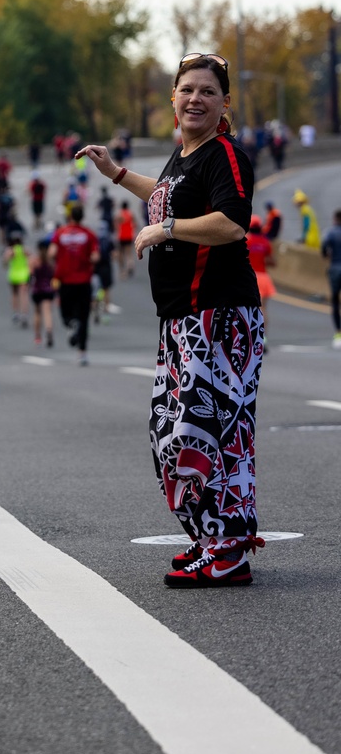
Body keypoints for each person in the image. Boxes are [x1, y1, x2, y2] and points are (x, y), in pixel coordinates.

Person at [80, 51, 264, 588]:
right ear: (172, 98)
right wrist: (115, 174)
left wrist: (166, 230)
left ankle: (228, 551)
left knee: (208, 434)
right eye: (187, 89)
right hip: (182, 322)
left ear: (225, 102)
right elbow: (165, 197)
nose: (195, 99)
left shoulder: (223, 154)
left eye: (208, 91)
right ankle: (211, 539)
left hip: (220, 318)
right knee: (173, 435)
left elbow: (232, 223)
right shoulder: (184, 156)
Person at [48, 205, 98, 365]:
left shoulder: (61, 233)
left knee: (65, 312)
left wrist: (57, 264)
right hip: (83, 280)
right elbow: (95, 256)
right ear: (82, 217)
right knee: (84, 317)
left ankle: (70, 323)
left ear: (70, 216)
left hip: (65, 280)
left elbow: (52, 253)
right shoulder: (89, 234)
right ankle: (82, 352)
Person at [246, 216, 276, 314]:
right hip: (263, 277)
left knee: (246, 310)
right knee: (262, 309)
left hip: (249, 276)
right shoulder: (265, 242)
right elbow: (272, 262)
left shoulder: (246, 240)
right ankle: (262, 329)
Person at [29, 239, 55, 347]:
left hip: (37, 289)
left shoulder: (34, 261)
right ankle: (49, 331)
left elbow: (30, 275)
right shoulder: (51, 262)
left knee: (37, 312)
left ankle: (37, 335)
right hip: (48, 289)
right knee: (47, 311)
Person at [322, 210, 341, 350]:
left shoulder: (331, 232)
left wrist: (327, 255)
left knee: (335, 301)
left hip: (335, 268)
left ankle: (338, 333)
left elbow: (324, 247)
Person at [3, 236, 30, 326]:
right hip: (24, 273)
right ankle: (24, 314)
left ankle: (16, 312)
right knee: (24, 295)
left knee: (14, 294)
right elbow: (31, 259)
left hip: (14, 274)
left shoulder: (10, 251)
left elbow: (5, 263)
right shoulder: (24, 250)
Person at [116, 202, 136, 277]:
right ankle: (130, 265)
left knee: (121, 253)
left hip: (122, 236)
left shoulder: (119, 215)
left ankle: (122, 271)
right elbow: (135, 224)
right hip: (129, 236)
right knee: (129, 253)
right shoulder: (131, 214)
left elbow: (116, 225)